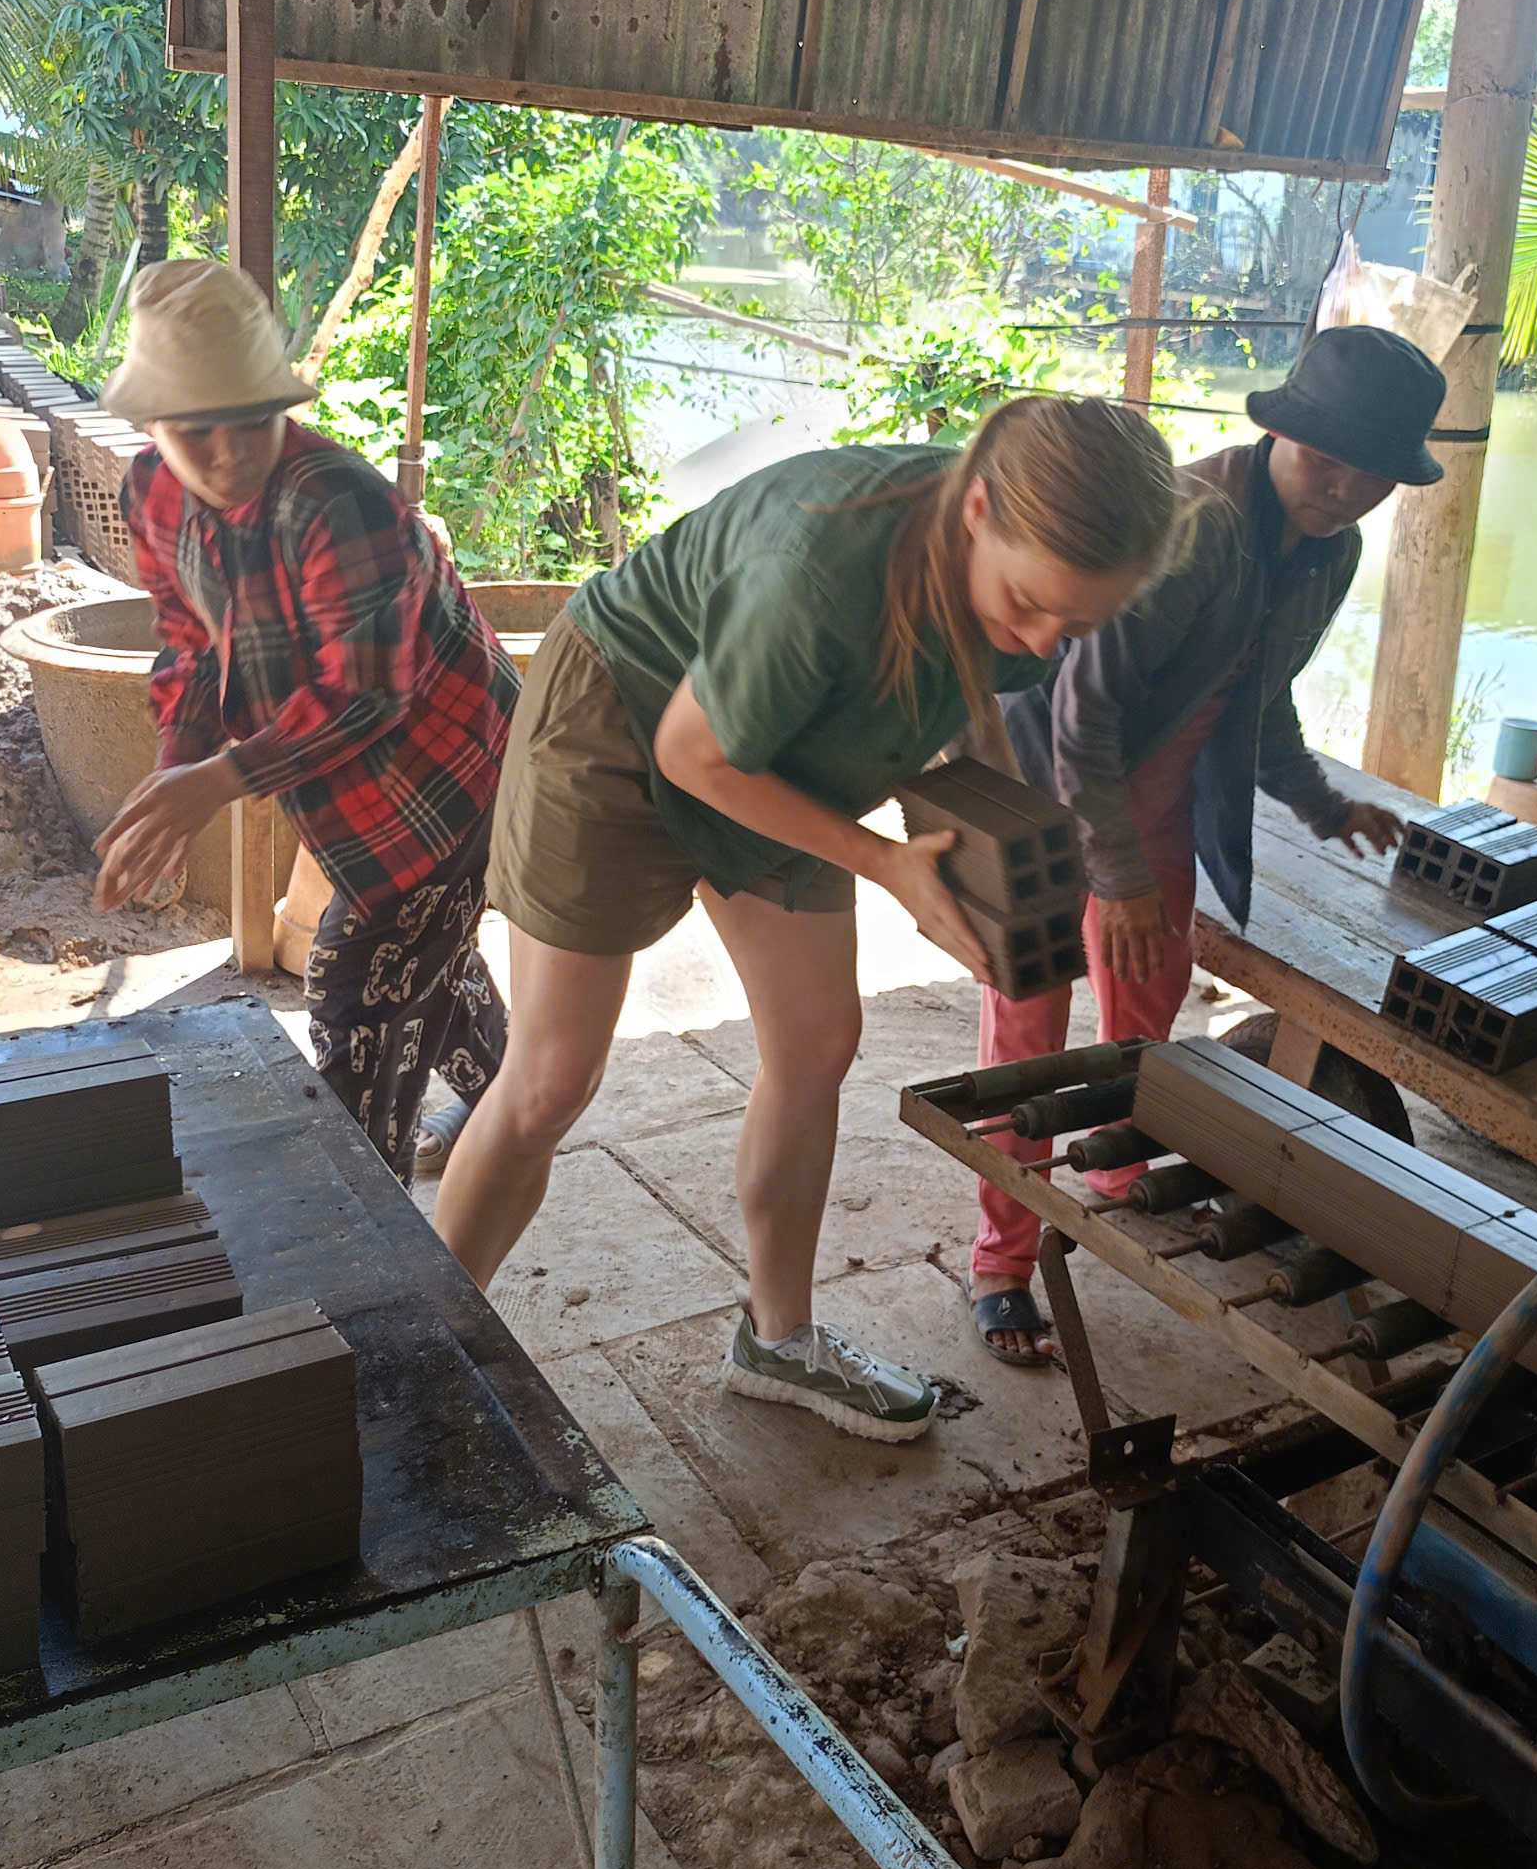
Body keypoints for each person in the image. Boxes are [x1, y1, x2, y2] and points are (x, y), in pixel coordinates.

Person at [435, 397, 1186, 1441]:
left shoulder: (1030, 580)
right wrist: (884, 862)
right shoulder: (825, 562)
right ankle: (429, 1348)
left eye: (1078, 624)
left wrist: (999, 855)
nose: (1044, 639)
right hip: (626, 718)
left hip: (788, 746)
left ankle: (777, 1341)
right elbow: (697, 754)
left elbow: (970, 690)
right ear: (975, 509)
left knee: (820, 1038)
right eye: (1029, 604)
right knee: (553, 1077)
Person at [970, 325, 1447, 1363]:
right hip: (1048, 782)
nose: (1345, 486)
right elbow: (1079, 716)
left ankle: (1118, 1169)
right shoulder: (1193, 527)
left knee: (1147, 997)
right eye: (1327, 457)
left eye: (1372, 474)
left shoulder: (1333, 549)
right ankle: (1002, 1260)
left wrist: (1325, 805)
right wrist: (1118, 878)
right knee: (1030, 1023)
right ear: (1279, 431)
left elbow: (1262, 696)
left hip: (1158, 786)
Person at [92, 258, 516, 1182]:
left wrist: (210, 784)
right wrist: (177, 770)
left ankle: (373, 1212)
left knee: (358, 993)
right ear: (151, 427)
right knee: (421, 956)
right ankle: (514, 1095)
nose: (227, 454)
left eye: (251, 420)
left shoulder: (341, 502)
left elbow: (361, 696)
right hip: (345, 773)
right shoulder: (154, 499)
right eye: (194, 430)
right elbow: (190, 643)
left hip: (450, 768)